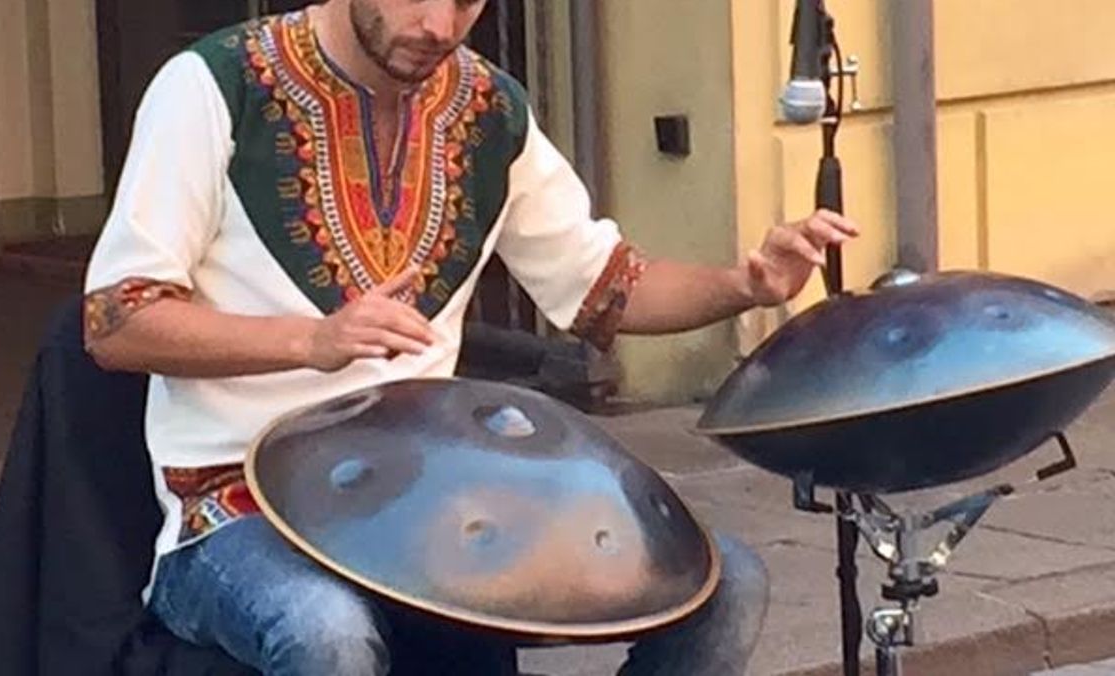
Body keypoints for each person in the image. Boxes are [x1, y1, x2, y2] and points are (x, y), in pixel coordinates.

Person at [83, 1, 859, 674]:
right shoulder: (213, 87)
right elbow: (116, 320)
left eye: (465, 2)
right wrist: (312, 341)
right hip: (236, 507)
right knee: (327, 632)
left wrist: (742, 285)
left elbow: (602, 288)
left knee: (730, 585)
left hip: (430, 503)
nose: (438, 26)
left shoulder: (487, 108)